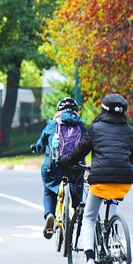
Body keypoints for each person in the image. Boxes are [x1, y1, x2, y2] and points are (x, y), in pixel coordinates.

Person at [58, 93, 133, 264]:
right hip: (124, 180)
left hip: (100, 179)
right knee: (113, 202)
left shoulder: (96, 128)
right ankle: (115, 244)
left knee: (89, 217)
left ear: (103, 109)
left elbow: (79, 152)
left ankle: (89, 260)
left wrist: (64, 161)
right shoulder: (130, 131)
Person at [31, 97, 87, 238]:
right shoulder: (80, 125)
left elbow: (41, 143)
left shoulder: (52, 124)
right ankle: (77, 209)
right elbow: (88, 143)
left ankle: (50, 214)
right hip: (75, 165)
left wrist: (36, 148)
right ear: (76, 111)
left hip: (53, 165)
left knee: (49, 191)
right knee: (77, 184)